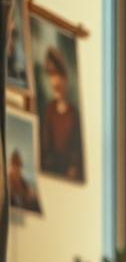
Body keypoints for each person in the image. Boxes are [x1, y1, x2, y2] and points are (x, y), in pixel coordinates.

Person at [39, 46, 84, 181]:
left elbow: (77, 155)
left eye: (57, 74)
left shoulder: (74, 115)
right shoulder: (49, 111)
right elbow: (45, 148)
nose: (54, 81)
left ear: (65, 78)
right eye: (50, 75)